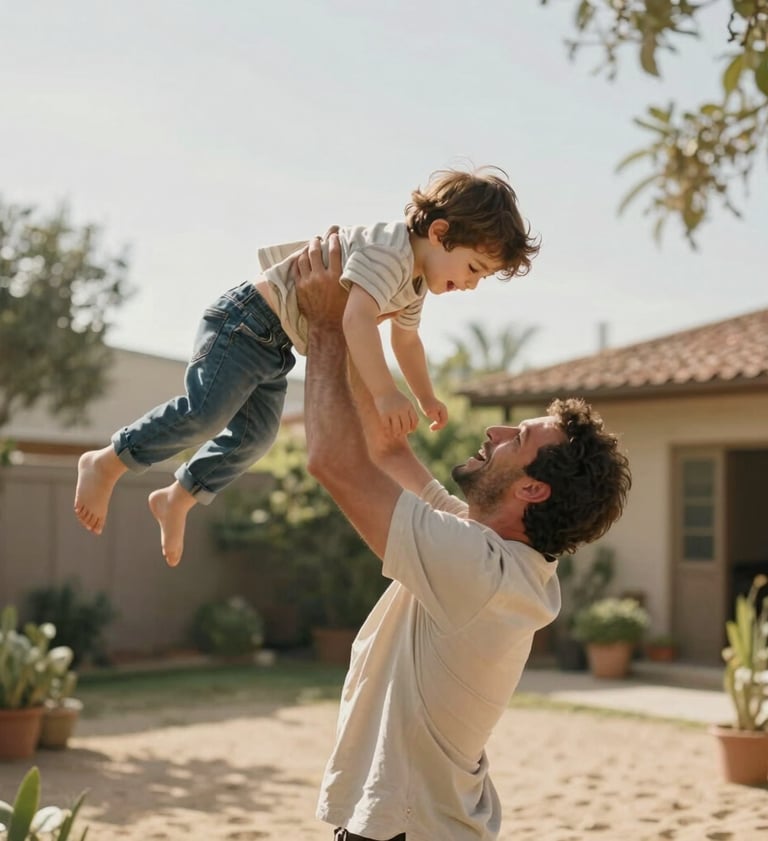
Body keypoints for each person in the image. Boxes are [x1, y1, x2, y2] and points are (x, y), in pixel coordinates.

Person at [294, 234, 632, 841]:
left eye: (518, 439)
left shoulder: (477, 571)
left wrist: (321, 331)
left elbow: (333, 462)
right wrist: (357, 317)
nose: (497, 429)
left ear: (532, 490)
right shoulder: (491, 557)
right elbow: (386, 449)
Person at [74, 167, 539, 567]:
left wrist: (424, 395)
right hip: (247, 321)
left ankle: (178, 496)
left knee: (255, 438)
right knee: (206, 413)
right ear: (440, 233)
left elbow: (406, 339)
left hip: (275, 347)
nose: (472, 285)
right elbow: (355, 320)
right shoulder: (391, 251)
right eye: (474, 268)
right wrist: (383, 394)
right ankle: (109, 461)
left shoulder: (413, 283)